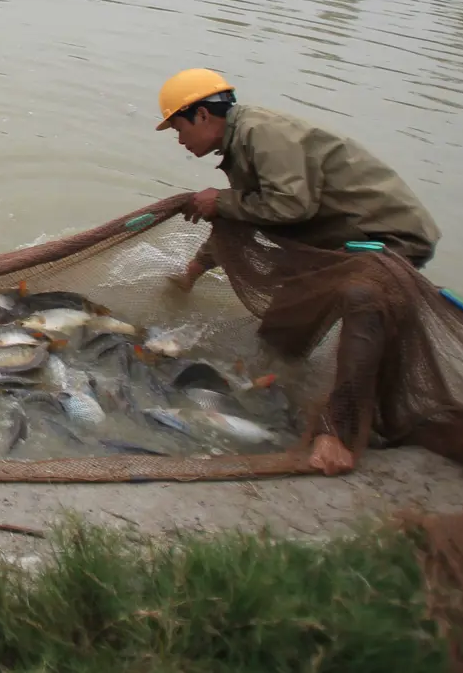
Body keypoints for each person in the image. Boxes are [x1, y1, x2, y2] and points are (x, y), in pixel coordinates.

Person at [155, 68, 440, 477]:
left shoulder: (263, 133)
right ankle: (278, 397)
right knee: (280, 331)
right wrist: (196, 269)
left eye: (178, 128)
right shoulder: (240, 144)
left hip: (387, 239)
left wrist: (221, 201)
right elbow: (247, 211)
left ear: (201, 115)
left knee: (363, 299)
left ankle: (339, 435)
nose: (179, 140)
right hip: (334, 244)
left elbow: (291, 207)